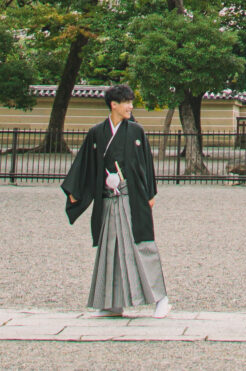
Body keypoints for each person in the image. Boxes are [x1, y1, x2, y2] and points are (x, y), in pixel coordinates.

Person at [63, 85, 170, 318]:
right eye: (126, 102)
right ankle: (112, 303)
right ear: (114, 104)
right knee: (110, 248)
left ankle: (161, 298)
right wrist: (76, 193)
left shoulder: (136, 132)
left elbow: (145, 167)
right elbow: (86, 165)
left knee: (141, 246)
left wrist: (150, 194)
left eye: (131, 102)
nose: (131, 106)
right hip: (108, 200)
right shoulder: (96, 133)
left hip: (132, 198)